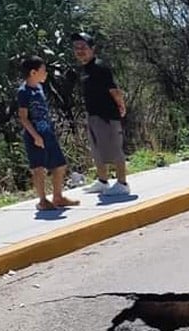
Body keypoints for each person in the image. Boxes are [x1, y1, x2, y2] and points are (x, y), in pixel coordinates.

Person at [71, 32, 130, 196]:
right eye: (76, 48)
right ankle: (103, 181)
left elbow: (114, 90)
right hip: (93, 115)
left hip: (107, 115)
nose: (79, 51)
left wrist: (121, 106)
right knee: (97, 150)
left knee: (114, 149)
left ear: (92, 48)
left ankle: (122, 183)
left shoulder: (100, 67)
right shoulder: (84, 69)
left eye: (83, 47)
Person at [16, 56, 78, 211]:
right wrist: (35, 136)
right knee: (39, 168)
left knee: (59, 164)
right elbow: (23, 118)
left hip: (47, 132)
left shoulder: (39, 88)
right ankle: (42, 200)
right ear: (33, 72)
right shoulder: (24, 92)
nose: (46, 74)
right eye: (43, 71)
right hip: (34, 135)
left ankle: (58, 196)